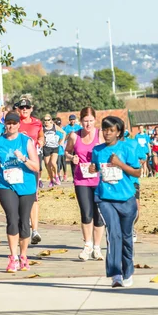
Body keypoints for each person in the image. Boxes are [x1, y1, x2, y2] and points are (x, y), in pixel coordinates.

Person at [89, 116, 140, 288]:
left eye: (111, 130)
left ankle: (128, 272)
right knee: (113, 234)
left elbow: (137, 172)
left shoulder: (127, 148)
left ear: (118, 132)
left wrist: (119, 164)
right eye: (105, 130)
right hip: (105, 198)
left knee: (126, 237)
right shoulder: (97, 150)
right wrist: (93, 168)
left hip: (126, 198)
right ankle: (115, 274)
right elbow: (96, 166)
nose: (107, 133)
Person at [0, 112, 39, 272]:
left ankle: (23, 256)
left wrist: (23, 158)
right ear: (5, 125)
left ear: (18, 125)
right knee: (12, 219)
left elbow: (36, 167)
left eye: (14, 123)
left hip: (27, 187)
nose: (11, 126)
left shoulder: (26, 141)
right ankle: (13, 257)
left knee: (24, 222)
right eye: (8, 123)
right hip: (6, 186)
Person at [65, 107, 105, 261]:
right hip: (81, 180)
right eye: (85, 121)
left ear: (95, 120)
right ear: (80, 122)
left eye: (90, 121)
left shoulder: (100, 134)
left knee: (99, 215)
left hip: (98, 180)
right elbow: (67, 152)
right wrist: (72, 157)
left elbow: (108, 152)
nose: (88, 125)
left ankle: (97, 247)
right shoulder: (75, 136)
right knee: (86, 213)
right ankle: (87, 245)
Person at [17, 98, 44, 244]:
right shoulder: (15, 123)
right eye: (22, 108)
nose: (24, 110)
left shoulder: (37, 122)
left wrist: (40, 142)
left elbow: (41, 136)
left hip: (33, 163)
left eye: (27, 107)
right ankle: (23, 225)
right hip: (17, 164)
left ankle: (35, 230)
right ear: (18, 110)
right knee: (20, 195)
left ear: (31, 108)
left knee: (33, 196)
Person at [42, 114, 64, 187]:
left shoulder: (54, 126)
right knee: (47, 165)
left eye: (48, 120)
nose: (46, 121)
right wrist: (42, 141)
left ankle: (57, 176)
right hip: (46, 147)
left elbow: (64, 133)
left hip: (55, 147)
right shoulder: (42, 128)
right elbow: (39, 136)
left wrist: (61, 141)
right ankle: (51, 180)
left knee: (53, 162)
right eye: (45, 120)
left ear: (51, 120)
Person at [62, 114, 83, 182]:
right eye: (71, 120)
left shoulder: (79, 127)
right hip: (71, 147)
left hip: (78, 146)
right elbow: (64, 138)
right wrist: (69, 135)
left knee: (79, 161)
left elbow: (82, 135)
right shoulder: (66, 128)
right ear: (69, 120)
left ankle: (80, 176)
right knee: (73, 162)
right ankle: (74, 177)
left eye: (73, 119)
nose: (72, 121)